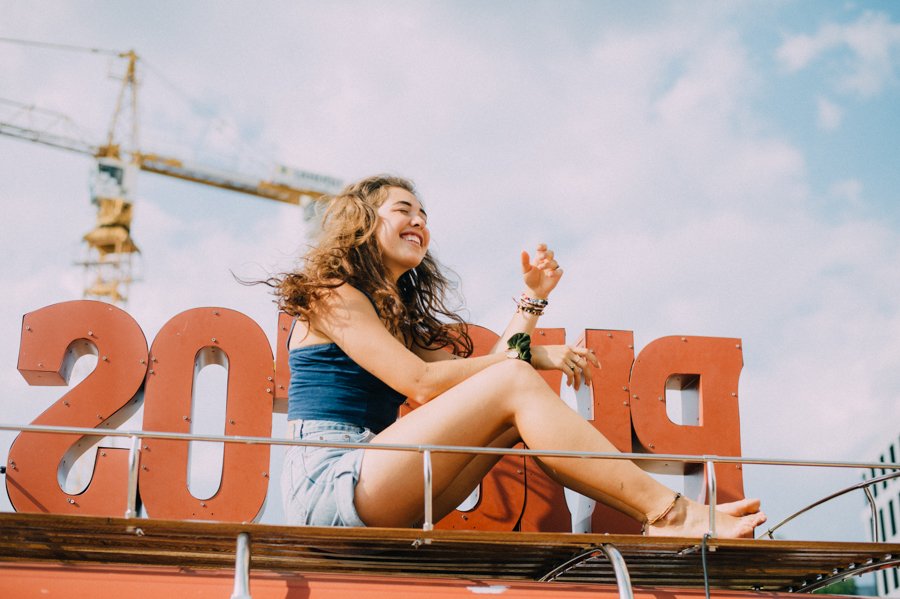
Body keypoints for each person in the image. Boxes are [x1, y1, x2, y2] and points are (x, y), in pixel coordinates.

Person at [271, 174, 766, 537]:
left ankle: (659, 514)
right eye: (404, 210)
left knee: (509, 408)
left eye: (424, 215)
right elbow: (421, 383)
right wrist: (535, 357)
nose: (419, 221)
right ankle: (671, 514)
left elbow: (484, 385)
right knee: (514, 381)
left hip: (377, 482)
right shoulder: (330, 293)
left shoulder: (394, 317)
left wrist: (533, 299)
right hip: (329, 481)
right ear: (362, 220)